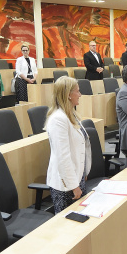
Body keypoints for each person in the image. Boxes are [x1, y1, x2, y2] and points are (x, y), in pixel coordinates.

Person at [45, 77, 92, 214]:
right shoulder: (58, 119)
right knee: (67, 227)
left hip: (77, 178)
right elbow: (63, 156)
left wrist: (83, 172)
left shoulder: (71, 114)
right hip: (66, 185)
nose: (80, 94)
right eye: (77, 91)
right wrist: (73, 185)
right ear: (68, 95)